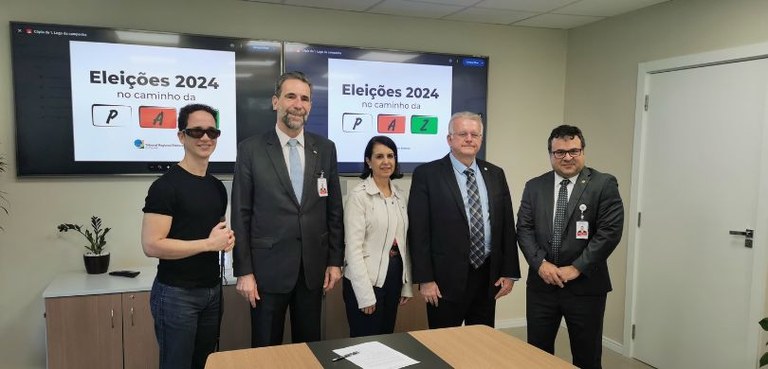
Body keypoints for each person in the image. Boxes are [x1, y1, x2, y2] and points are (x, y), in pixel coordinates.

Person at [231, 71, 344, 347]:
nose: (298, 104)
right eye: (291, 96)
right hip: (266, 272)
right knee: (266, 349)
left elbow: (334, 209)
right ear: (275, 102)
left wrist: (334, 260)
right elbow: (241, 213)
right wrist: (244, 271)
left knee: (310, 348)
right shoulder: (251, 150)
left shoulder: (325, 149)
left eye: (305, 98)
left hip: (312, 270)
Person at [516, 124, 624, 369]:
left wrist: (576, 268)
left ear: (583, 151)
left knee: (587, 356)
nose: (567, 157)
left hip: (585, 287)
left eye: (574, 151)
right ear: (551, 154)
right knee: (536, 355)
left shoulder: (603, 184)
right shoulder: (534, 186)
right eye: (560, 152)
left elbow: (609, 232)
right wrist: (541, 264)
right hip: (542, 287)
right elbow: (524, 229)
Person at [141, 103, 236, 369]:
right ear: (182, 136)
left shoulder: (217, 187)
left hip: (212, 292)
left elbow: (214, 234)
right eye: (196, 131)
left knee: (204, 364)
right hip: (176, 294)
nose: (205, 138)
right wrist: (208, 244)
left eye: (212, 132)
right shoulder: (165, 187)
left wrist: (225, 241)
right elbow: (151, 245)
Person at [408, 111, 520, 329]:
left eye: (475, 134)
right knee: (443, 345)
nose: (469, 139)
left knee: (481, 342)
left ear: (480, 139)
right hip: (444, 280)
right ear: (450, 139)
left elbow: (506, 226)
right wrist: (425, 279)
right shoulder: (427, 174)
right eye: (462, 134)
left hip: (487, 277)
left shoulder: (495, 174)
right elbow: (419, 231)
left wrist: (510, 272)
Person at [343, 136, 412, 337]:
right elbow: (353, 250)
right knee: (365, 345)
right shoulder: (359, 196)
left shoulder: (399, 195)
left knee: (386, 340)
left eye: (391, 156)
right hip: (366, 281)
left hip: (393, 279)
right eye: (379, 156)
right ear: (368, 161)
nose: (386, 161)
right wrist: (364, 295)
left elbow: (403, 243)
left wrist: (406, 285)